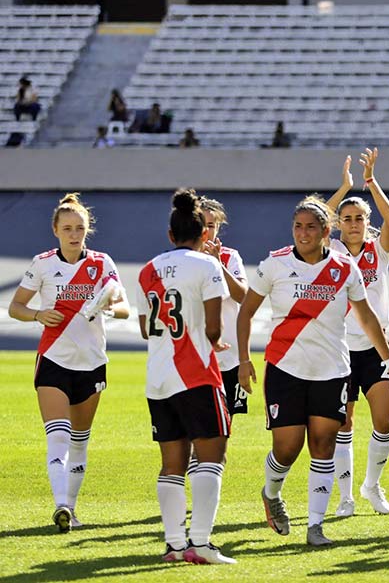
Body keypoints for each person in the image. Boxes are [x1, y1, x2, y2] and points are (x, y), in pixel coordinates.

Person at [236, 194, 389, 548]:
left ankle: (316, 527)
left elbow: (367, 318)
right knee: (287, 447)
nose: (303, 233)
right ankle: (271, 492)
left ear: (326, 231)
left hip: (331, 369)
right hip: (285, 368)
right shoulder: (275, 265)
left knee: (324, 443)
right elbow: (245, 312)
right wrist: (243, 359)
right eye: (298, 226)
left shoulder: (346, 269)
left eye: (311, 227)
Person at [8, 194, 130, 532]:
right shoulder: (43, 263)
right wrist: (37, 314)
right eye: (67, 229)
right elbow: (15, 307)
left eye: (79, 228)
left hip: (91, 362)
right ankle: (60, 504)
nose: (74, 235)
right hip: (53, 359)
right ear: (55, 231)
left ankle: (71, 510)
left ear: (87, 230)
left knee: (80, 439)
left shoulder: (103, 263)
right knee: (58, 436)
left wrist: (108, 307)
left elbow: (123, 306)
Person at [135, 189, 233, 564]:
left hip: (157, 378)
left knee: (171, 463)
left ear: (170, 234)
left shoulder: (147, 270)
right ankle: (202, 544)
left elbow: (146, 329)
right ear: (202, 234)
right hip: (195, 374)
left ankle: (174, 545)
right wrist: (214, 342)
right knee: (211, 457)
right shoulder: (207, 267)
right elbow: (212, 327)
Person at [324, 148, 389, 517]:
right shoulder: (333, 251)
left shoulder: (378, 250)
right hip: (338, 347)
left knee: (385, 419)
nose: (354, 223)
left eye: (359, 218)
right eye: (347, 218)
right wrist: (343, 187)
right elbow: (316, 219)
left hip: (375, 346)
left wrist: (371, 182)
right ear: (339, 223)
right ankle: (345, 497)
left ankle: (371, 484)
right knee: (344, 422)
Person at [198, 196, 248, 419]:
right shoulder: (184, 257)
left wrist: (218, 264)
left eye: (212, 225)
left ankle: (212, 456)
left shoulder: (230, 257)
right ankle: (195, 456)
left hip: (229, 356)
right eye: (202, 224)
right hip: (195, 353)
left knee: (225, 425)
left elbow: (242, 296)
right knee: (196, 421)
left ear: (219, 227)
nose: (207, 231)